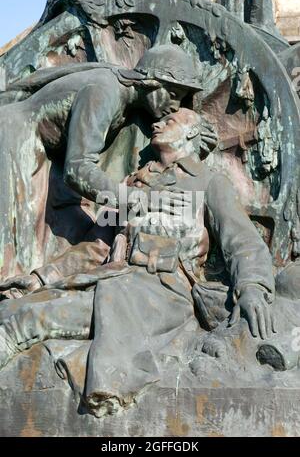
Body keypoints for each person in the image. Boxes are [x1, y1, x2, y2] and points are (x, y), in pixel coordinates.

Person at [0, 108, 275, 417]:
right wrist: (40, 277)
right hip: (112, 284)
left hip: (160, 297)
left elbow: (242, 242)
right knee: (9, 310)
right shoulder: (132, 185)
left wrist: (253, 286)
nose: (157, 123)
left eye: (170, 121)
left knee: (23, 323)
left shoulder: (209, 183)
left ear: (192, 134)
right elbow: (95, 246)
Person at [0, 45, 202, 278]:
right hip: (16, 138)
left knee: (64, 229)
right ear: (152, 82)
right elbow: (77, 169)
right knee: (13, 243)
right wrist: (135, 198)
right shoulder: (105, 92)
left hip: (43, 150)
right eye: (174, 95)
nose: (175, 107)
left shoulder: (118, 91)